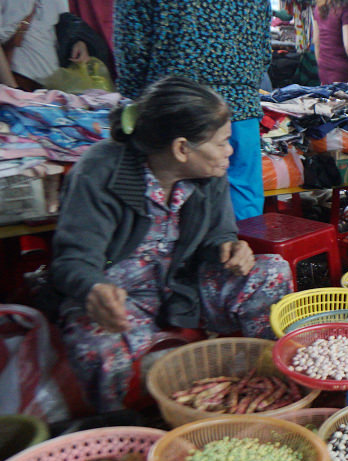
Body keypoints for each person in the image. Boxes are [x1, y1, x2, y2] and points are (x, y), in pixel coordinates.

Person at [50, 76, 293, 413]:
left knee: (271, 271)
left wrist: (230, 247)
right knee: (97, 346)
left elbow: (220, 232)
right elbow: (71, 261)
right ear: (181, 148)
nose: (230, 151)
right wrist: (93, 289)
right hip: (121, 297)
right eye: (222, 142)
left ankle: (264, 382)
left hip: (183, 284)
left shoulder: (209, 171)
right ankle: (125, 426)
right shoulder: (101, 171)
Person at [114, 0, 271, 223]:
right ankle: (237, 250)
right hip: (239, 104)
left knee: (175, 206)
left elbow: (131, 46)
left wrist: (138, 98)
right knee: (243, 204)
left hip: (176, 104)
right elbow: (264, 49)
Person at [1, 0, 94, 90]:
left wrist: (78, 42)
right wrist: (12, 87)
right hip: (20, 78)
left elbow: (64, 27)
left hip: (51, 81)